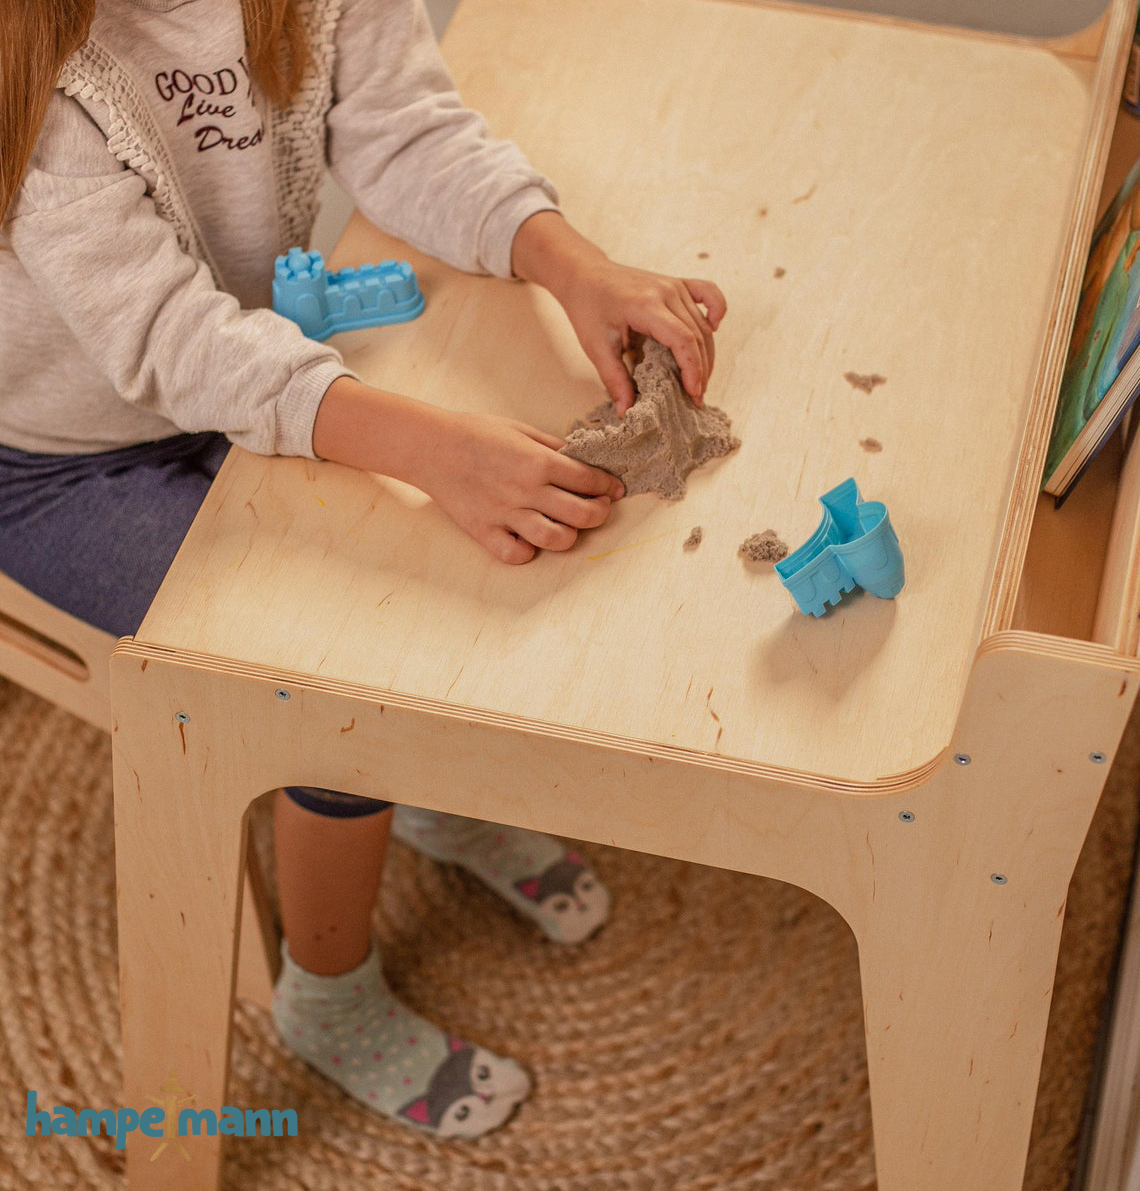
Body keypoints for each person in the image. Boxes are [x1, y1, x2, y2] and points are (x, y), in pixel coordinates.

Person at [0, 0, 725, 1138]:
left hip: (245, 364)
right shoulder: (35, 54)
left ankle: (429, 793)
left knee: (441, 584)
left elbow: (404, 131)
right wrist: (434, 447)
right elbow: (163, 339)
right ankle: (326, 995)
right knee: (329, 687)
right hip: (56, 461)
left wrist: (572, 266)